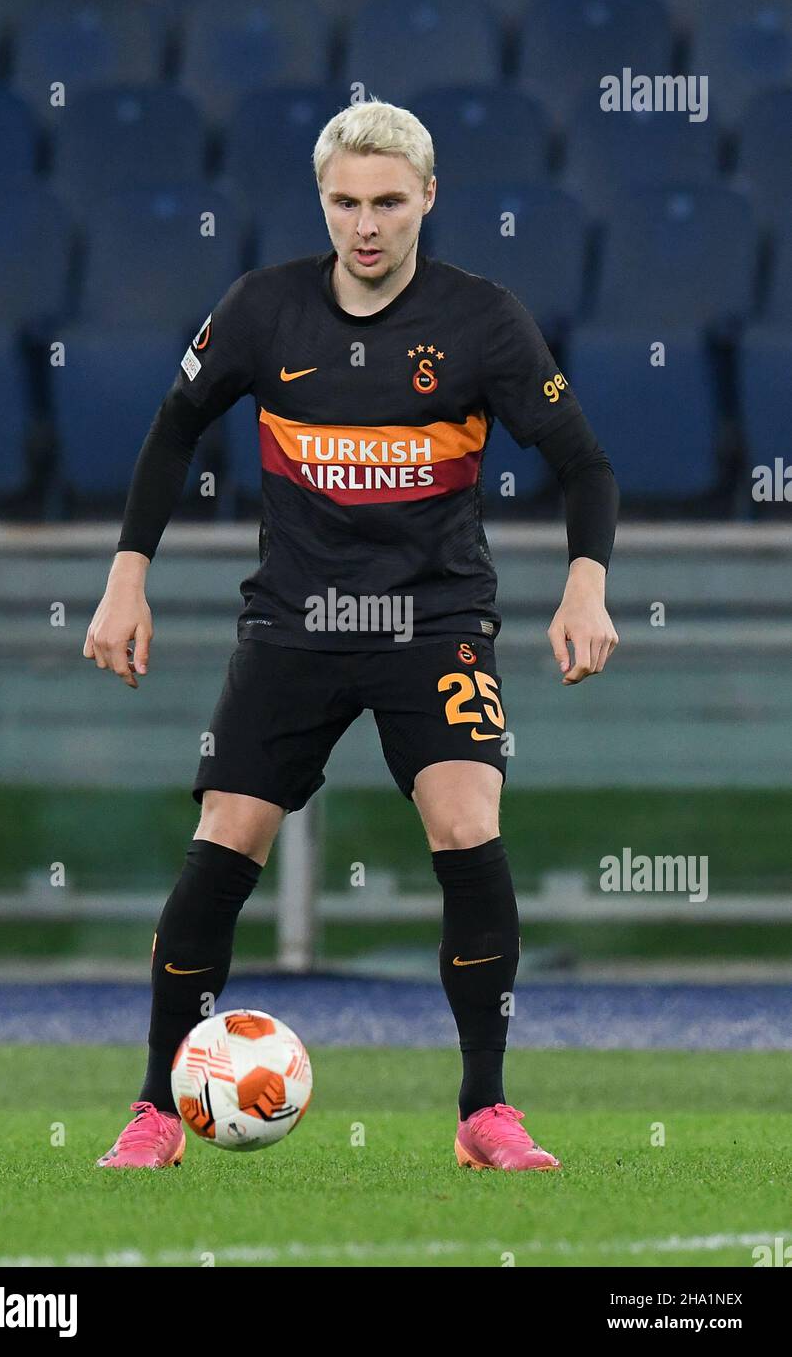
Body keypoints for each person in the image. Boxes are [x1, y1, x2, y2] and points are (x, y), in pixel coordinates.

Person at [85, 99, 619, 1172]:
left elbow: (583, 462)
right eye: (344, 203)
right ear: (320, 203)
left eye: (386, 202)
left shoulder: (482, 320)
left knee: (467, 827)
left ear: (426, 198)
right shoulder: (260, 309)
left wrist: (586, 586)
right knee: (225, 839)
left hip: (434, 622)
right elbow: (173, 429)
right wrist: (124, 576)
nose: (364, 225)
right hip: (294, 622)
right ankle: (154, 1110)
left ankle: (484, 1113)